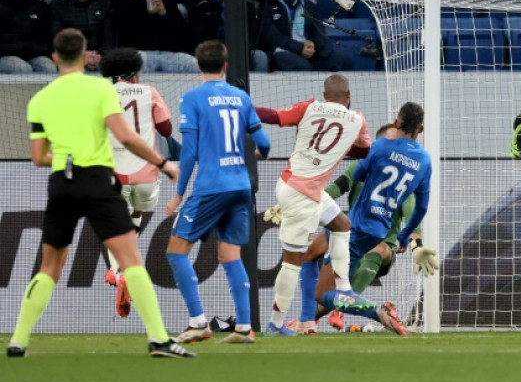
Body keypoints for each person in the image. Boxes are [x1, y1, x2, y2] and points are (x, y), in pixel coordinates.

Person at [7, 28, 193, 359]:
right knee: (130, 259)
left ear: (54, 58)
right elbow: (126, 137)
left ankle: (18, 340)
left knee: (49, 266)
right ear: (84, 57)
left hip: (61, 183)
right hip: (97, 180)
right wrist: (164, 163)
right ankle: (158, 339)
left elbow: (38, 157)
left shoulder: (41, 99)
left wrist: (65, 158)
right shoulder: (99, 89)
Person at [284, 123, 437, 335]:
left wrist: (415, 243)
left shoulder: (399, 170)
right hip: (352, 231)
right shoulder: (365, 164)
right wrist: (308, 202)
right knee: (311, 252)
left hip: (384, 239)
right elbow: (336, 188)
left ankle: (350, 309)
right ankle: (310, 320)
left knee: (377, 251)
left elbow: (412, 212)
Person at [165, 40, 272, 345]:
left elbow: (189, 153)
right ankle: (243, 327)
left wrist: (178, 193)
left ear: (198, 66)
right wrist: (259, 154)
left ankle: (198, 322)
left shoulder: (192, 99)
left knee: (176, 250)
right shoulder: (241, 97)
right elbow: (263, 143)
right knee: (229, 254)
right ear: (225, 66)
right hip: (240, 186)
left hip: (212, 186)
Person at [252, 74, 372, 336]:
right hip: (302, 195)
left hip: (298, 186)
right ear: (348, 96)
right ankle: (275, 323)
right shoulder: (358, 119)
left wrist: (245, 109)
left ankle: (343, 289)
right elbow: (364, 152)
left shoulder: (309, 107)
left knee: (342, 224)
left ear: (325, 95)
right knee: (292, 262)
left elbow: (273, 116)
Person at [99, 47, 174, 318]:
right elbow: (166, 130)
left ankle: (117, 272)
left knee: (112, 222)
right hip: (145, 170)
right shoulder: (149, 91)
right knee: (135, 215)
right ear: (134, 72)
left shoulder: (102, 94)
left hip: (113, 171)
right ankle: (119, 271)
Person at [260, 0, 354, 72]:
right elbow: (272, 37)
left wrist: (313, 43)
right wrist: (299, 48)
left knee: (345, 61)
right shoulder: (267, 6)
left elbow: (319, 32)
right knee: (302, 66)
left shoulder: (309, 6)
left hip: (309, 51)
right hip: (282, 52)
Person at [113, 0, 199, 72]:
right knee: (129, 64)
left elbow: (182, 33)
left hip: (168, 54)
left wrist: (164, 14)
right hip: (139, 54)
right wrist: (131, 0)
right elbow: (119, 29)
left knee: (194, 64)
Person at [187, 0, 270, 73]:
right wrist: (222, 47)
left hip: (241, 49)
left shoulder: (246, 0)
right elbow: (199, 35)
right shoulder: (199, 1)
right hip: (211, 50)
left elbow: (252, 33)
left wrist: (243, 47)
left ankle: (250, 85)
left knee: (260, 57)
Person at [50, 0, 114, 72]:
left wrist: (100, 55)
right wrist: (81, 55)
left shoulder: (104, 4)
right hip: (72, 55)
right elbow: (59, 37)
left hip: (98, 56)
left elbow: (108, 37)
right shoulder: (58, 6)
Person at [0, 0, 57, 74]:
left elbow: (48, 36)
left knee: (49, 67)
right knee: (23, 69)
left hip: (35, 55)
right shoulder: (2, 5)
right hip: (6, 55)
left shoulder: (41, 6)